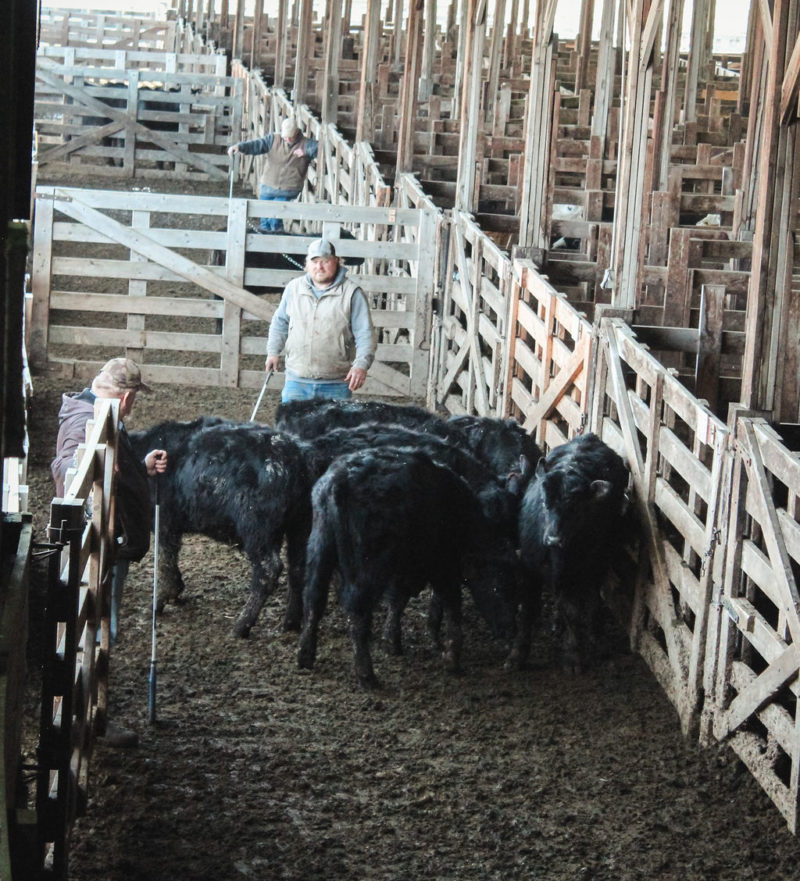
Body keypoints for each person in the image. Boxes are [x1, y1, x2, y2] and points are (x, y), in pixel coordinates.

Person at [51, 358, 168, 650]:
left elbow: (113, 467)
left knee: (103, 615)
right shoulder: (86, 420)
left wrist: (141, 467)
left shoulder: (103, 412)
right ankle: (93, 680)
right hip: (101, 539)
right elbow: (66, 464)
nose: (134, 404)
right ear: (127, 397)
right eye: (135, 397)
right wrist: (91, 471)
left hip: (112, 535)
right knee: (100, 621)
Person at [266, 238, 376, 402]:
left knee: (334, 428)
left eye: (325, 261)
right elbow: (280, 323)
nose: (319, 267)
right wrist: (273, 352)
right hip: (297, 380)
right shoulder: (294, 289)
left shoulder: (352, 293)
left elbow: (365, 333)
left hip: (336, 382)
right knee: (292, 427)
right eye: (315, 261)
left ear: (336, 261)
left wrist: (361, 365)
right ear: (307, 264)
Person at [228, 115, 319, 232]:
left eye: (290, 137)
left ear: (297, 132)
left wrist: (306, 151)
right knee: (265, 221)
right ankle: (265, 246)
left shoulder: (305, 143)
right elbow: (257, 145)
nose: (288, 140)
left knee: (274, 218)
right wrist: (239, 147)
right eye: (285, 137)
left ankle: (276, 243)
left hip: (288, 188)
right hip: (268, 185)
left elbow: (320, 148)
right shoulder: (273, 139)